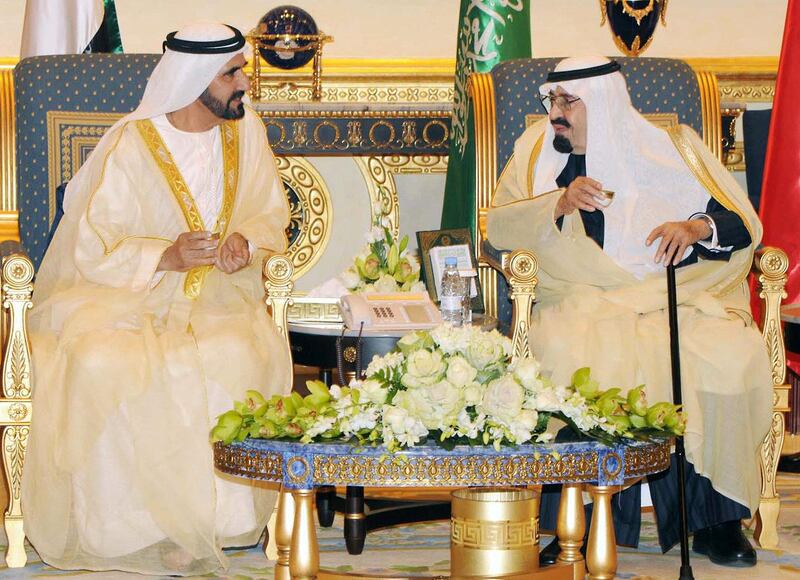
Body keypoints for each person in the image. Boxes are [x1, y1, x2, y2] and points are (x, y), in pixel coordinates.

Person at [21, 22, 292, 576]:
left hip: (220, 296)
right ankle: (125, 531)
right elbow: (97, 243)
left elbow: (272, 214)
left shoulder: (248, 133)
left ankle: (219, 526)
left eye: (241, 70)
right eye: (232, 73)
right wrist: (165, 257)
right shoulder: (132, 144)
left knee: (233, 352)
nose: (246, 84)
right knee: (100, 360)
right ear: (194, 81)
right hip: (126, 294)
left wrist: (246, 241)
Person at [487, 56, 772, 568]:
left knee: (727, 353)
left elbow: (740, 224)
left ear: (603, 103)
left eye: (568, 102)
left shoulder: (673, 147)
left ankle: (713, 522)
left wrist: (696, 228)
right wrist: (558, 202)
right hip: (579, 295)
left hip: (671, 295)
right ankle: (580, 521)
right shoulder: (533, 154)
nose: (556, 112)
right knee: (580, 352)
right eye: (552, 100)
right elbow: (497, 226)